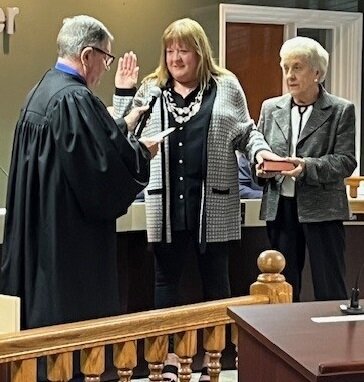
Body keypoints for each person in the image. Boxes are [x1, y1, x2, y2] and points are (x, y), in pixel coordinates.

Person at [112, 18, 281, 381]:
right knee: (165, 284)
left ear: (200, 52)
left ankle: (213, 361)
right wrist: (123, 93)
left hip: (214, 205)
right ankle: (165, 361)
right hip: (167, 207)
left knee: (216, 286)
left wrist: (261, 156)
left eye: (183, 50)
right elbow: (119, 133)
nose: (175, 58)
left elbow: (246, 133)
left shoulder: (225, 86)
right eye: (170, 50)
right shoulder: (152, 89)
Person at [0, 15, 160, 331]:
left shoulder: (43, 90)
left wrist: (123, 124)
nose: (106, 68)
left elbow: (76, 150)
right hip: (68, 247)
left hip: (40, 237)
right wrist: (142, 153)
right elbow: (100, 175)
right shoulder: (76, 98)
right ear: (88, 56)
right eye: (106, 59)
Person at [256, 36, 357, 302]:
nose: (289, 75)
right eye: (286, 67)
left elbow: (346, 161)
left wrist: (305, 167)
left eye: (297, 67)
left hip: (322, 210)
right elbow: (257, 150)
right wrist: (261, 170)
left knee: (329, 286)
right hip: (280, 209)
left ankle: (334, 341)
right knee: (283, 287)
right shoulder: (270, 108)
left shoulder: (340, 110)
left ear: (317, 73)